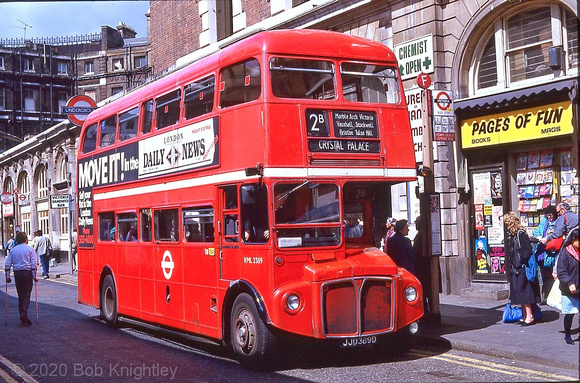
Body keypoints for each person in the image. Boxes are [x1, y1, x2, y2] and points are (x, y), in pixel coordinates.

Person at [504, 211, 540, 326]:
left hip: (522, 268)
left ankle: (529, 316)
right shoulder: (515, 235)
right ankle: (525, 316)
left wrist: (520, 263)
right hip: (516, 268)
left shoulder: (520, 234)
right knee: (520, 292)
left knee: (525, 292)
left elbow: (527, 251)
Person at [4, 231, 38, 325]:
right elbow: (33, 264)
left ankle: (22, 313)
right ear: (26, 240)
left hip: (17, 273)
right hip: (27, 273)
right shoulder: (30, 250)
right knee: (26, 294)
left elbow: (7, 264)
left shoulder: (13, 250)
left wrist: (7, 277)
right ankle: (23, 314)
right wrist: (35, 276)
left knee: (20, 294)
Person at [556, 227, 579, 345]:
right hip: (569, 288)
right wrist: (570, 283)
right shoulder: (566, 252)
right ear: (573, 240)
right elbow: (561, 271)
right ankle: (568, 335)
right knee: (570, 313)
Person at [533, 205, 558, 303]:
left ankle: (549, 296)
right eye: (548, 215)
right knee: (544, 275)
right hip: (542, 252)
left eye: (551, 215)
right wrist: (539, 236)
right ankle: (545, 296)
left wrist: (547, 239)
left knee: (551, 275)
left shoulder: (557, 223)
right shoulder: (544, 222)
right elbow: (536, 232)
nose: (549, 217)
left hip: (551, 251)